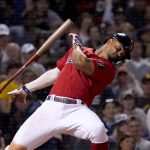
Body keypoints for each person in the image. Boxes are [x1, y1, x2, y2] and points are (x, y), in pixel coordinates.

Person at [6, 32, 134, 150]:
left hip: (76, 110)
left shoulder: (109, 69)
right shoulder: (79, 51)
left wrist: (77, 45)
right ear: (111, 41)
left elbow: (81, 62)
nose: (122, 52)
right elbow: (55, 73)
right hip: (50, 107)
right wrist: (26, 88)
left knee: (98, 130)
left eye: (125, 52)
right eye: (121, 47)